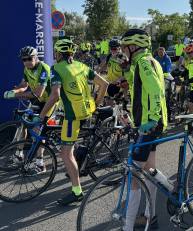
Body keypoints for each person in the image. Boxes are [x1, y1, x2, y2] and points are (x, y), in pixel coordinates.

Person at [38, 39, 109, 205]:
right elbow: (104, 84)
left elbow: (55, 95)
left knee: (65, 153)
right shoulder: (81, 66)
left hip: (73, 116)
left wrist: (41, 115)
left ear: (59, 54)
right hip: (87, 111)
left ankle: (77, 191)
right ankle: (78, 160)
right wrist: (97, 103)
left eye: (56, 52)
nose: (54, 55)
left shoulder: (56, 69)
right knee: (70, 144)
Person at [120, 28, 168, 230]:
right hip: (149, 123)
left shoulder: (143, 62)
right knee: (149, 169)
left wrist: (153, 119)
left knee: (134, 175)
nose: (123, 51)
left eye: (125, 48)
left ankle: (128, 226)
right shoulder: (146, 61)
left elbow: (155, 89)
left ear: (134, 47)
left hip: (150, 124)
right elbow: (139, 86)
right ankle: (153, 213)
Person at [3, 46, 56, 173]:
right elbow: (24, 85)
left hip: (48, 101)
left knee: (38, 129)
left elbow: (38, 92)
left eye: (29, 58)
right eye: (24, 59)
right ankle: (19, 154)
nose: (26, 61)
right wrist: (14, 91)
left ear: (36, 57)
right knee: (23, 124)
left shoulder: (44, 68)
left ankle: (40, 163)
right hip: (36, 101)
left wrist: (16, 95)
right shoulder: (27, 68)